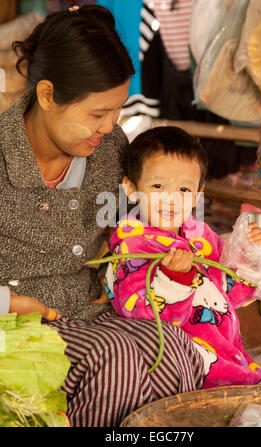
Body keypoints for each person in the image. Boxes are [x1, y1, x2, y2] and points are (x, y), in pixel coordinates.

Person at [0, 5, 205, 426]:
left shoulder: (109, 148)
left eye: (116, 111)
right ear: (46, 95)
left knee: (176, 352)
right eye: (97, 114)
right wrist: (7, 302)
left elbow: (137, 226)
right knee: (114, 358)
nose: (111, 126)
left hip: (91, 312)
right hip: (18, 321)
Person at [105, 126, 261, 388]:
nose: (171, 199)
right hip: (188, 363)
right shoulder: (132, 245)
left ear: (199, 194)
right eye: (158, 185)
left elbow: (229, 294)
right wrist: (175, 279)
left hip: (228, 350)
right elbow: (138, 313)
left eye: (184, 190)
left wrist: (251, 255)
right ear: (131, 188)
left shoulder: (201, 235)